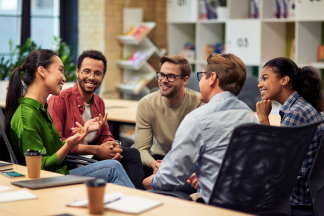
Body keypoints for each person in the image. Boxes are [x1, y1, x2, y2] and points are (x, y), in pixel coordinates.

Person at [4, 49, 134, 188]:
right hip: (52, 179)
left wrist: (80, 135)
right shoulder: (28, 116)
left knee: (125, 158)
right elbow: (41, 167)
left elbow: (55, 148)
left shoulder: (40, 109)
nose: (64, 78)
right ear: (42, 71)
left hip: (61, 173)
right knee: (113, 167)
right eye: (60, 70)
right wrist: (69, 145)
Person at [142, 53, 259, 203]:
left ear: (212, 78)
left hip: (212, 206)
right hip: (247, 204)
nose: (199, 83)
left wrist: (150, 182)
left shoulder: (198, 119)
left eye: (202, 76)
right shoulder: (250, 116)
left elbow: (171, 176)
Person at [47, 50, 145, 189]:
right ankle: (137, 198)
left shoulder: (99, 102)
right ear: (77, 72)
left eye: (97, 73)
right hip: (67, 167)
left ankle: (141, 195)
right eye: (86, 71)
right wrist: (97, 150)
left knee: (132, 153)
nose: (91, 77)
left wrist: (112, 147)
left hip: (90, 160)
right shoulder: (58, 100)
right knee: (114, 166)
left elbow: (106, 136)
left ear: (103, 76)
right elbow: (58, 144)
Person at [256, 57, 324, 210]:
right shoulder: (301, 106)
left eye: (265, 78)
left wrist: (263, 120)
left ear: (284, 80)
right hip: (305, 197)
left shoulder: (295, 113)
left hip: (295, 201)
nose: (260, 84)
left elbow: (275, 166)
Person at [135, 54, 203, 176]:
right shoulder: (146, 104)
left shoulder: (200, 102)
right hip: (159, 159)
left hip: (190, 162)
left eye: (171, 76)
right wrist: (153, 163)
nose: (164, 80)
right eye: (161, 75)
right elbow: (141, 149)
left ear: (185, 80)